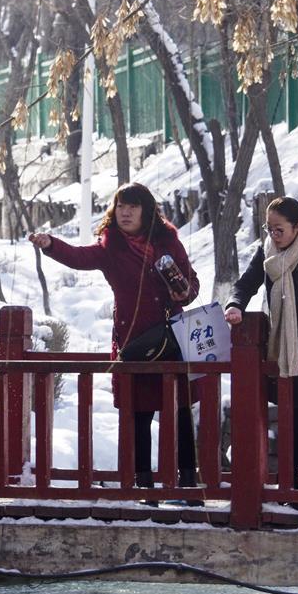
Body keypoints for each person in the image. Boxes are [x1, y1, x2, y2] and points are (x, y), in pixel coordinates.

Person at [29, 181, 201, 505]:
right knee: (139, 412)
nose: (125, 212)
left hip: (170, 335)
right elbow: (79, 257)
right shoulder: (111, 246)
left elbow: (190, 285)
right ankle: (144, 485)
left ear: (146, 211)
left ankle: (188, 484)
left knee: (180, 410)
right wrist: (50, 244)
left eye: (133, 206)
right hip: (134, 337)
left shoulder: (167, 240)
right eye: (121, 205)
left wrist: (183, 292)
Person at [224, 196, 298, 508]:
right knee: (292, 412)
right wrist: (235, 303)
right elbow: (248, 280)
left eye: (279, 230)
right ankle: (289, 485)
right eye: (269, 229)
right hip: (283, 344)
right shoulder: (268, 252)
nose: (273, 235)